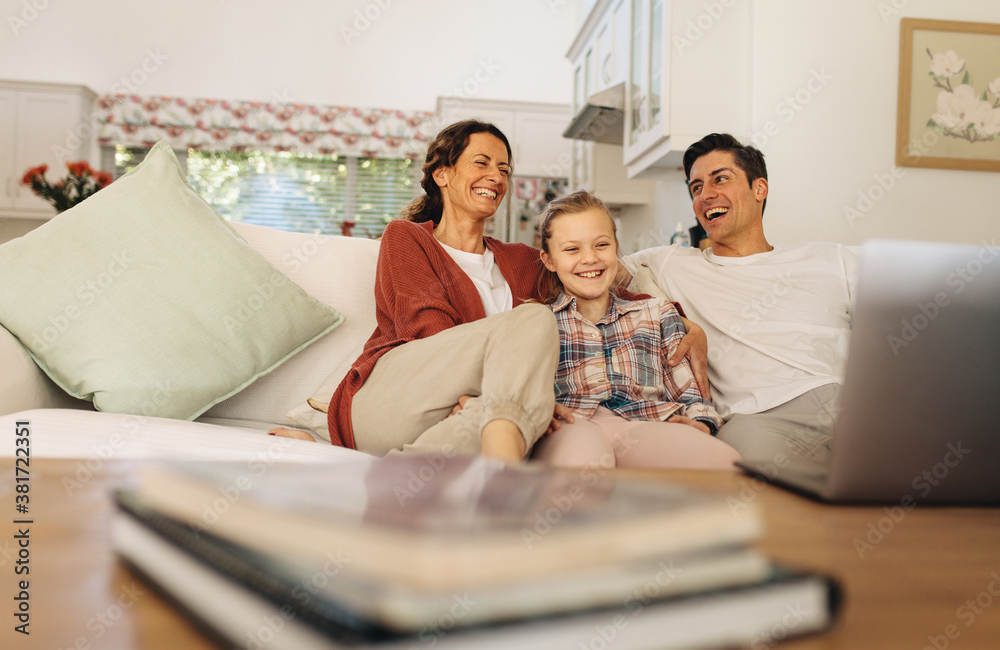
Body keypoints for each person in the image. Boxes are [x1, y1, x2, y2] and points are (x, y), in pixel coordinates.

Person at [270, 120, 710, 462]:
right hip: (397, 401)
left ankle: (407, 481)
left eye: (504, 168)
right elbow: (429, 333)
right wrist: (499, 393)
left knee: (520, 419)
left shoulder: (521, 260)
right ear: (442, 174)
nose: (496, 176)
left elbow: (606, 274)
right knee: (533, 323)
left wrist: (679, 319)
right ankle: (496, 468)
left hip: (473, 414)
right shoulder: (407, 238)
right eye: (481, 163)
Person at [626, 133, 861, 469]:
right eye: (696, 187)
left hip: (849, 404)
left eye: (720, 178)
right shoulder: (671, 263)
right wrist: (675, 315)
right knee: (759, 487)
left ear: (759, 189)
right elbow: (585, 266)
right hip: (760, 418)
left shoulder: (830, 257)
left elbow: (925, 300)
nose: (706, 195)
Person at [530, 190, 740, 470]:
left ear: (616, 247)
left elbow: (690, 393)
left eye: (601, 245)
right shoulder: (538, 322)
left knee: (727, 464)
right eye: (572, 249)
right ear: (549, 260)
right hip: (572, 423)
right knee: (585, 463)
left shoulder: (657, 314)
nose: (589, 258)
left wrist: (701, 422)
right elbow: (520, 390)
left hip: (645, 421)